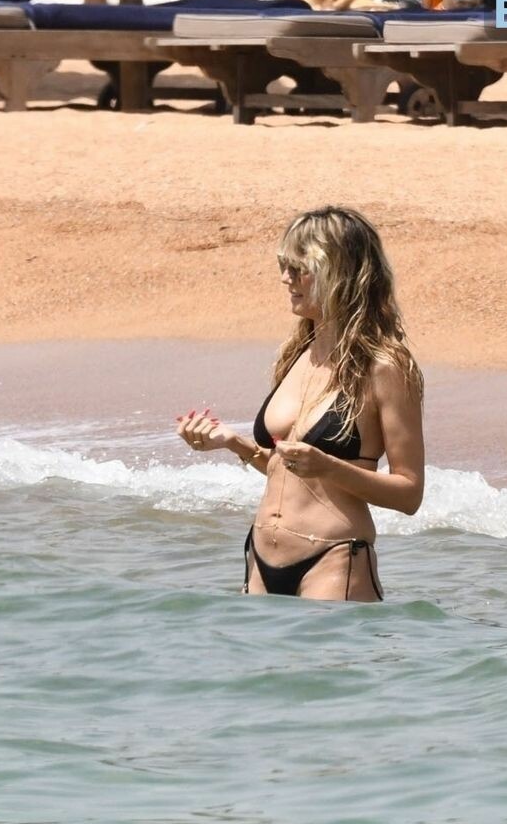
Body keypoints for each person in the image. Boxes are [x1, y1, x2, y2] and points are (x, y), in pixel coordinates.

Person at [174, 206, 425, 601]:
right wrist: (235, 444)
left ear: (338, 272)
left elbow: (409, 494)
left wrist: (328, 466)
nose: (285, 278)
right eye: (284, 266)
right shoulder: (297, 353)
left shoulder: (385, 367)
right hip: (259, 560)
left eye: (298, 268)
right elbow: (290, 470)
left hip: (334, 560)